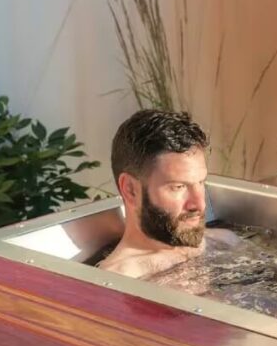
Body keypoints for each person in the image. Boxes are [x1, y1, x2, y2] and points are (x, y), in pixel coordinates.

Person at [98, 109, 239, 278]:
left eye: (201, 182)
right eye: (178, 187)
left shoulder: (223, 241)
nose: (199, 204)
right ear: (130, 189)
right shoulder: (121, 278)